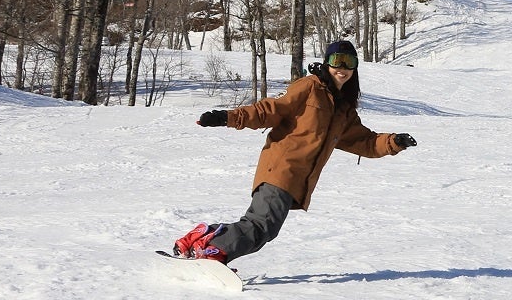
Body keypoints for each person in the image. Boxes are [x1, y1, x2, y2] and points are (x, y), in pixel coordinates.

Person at [171, 39, 417, 264]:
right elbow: (270, 109)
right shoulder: (309, 87)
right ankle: (215, 249)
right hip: (281, 168)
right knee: (262, 225)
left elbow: (365, 141)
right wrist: (228, 117)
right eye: (336, 61)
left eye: (349, 63)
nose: (342, 68)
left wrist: (394, 142)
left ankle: (204, 237)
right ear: (327, 63)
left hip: (296, 180)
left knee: (263, 227)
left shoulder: (343, 111)